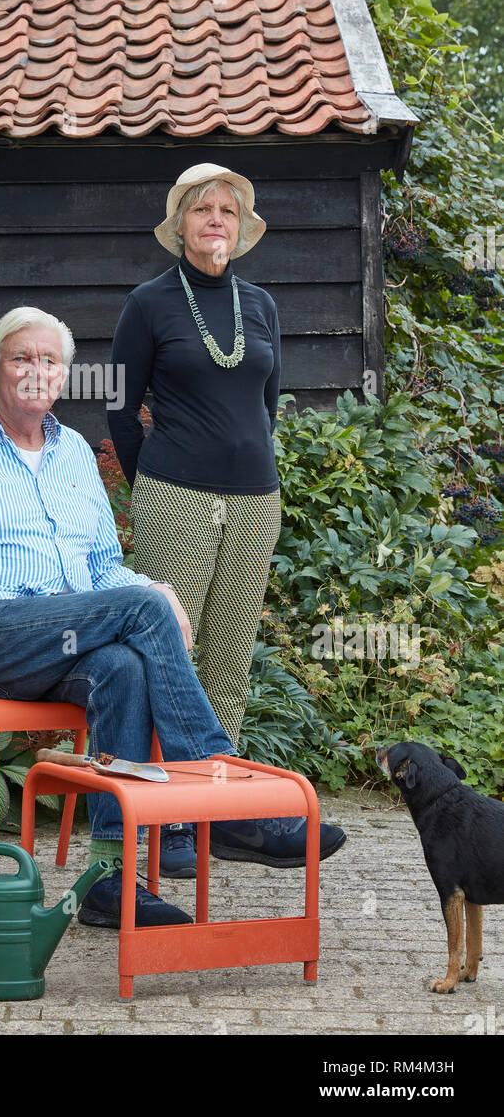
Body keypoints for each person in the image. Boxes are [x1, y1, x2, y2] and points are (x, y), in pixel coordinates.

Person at [0, 306, 324, 930]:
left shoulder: (76, 457)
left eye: (50, 361)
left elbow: (104, 570)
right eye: (21, 358)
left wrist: (154, 590)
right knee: (139, 611)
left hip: (63, 645)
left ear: (64, 377)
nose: (37, 371)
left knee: (122, 667)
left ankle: (110, 881)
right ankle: (223, 798)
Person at [108, 163, 346, 875]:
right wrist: (158, 474)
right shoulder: (148, 303)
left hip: (255, 499)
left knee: (229, 661)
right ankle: (167, 823)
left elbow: (266, 406)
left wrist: (243, 463)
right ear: (179, 223)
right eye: (203, 209)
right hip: (174, 498)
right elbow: (120, 409)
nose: (217, 219)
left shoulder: (263, 305)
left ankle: (215, 813)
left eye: (228, 211)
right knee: (168, 655)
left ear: (240, 228)